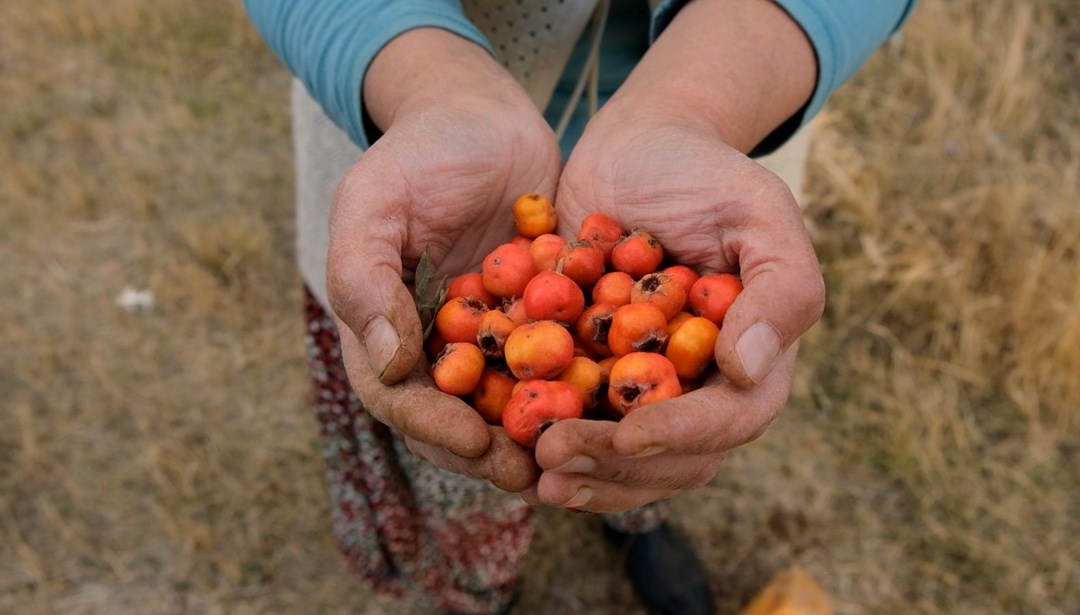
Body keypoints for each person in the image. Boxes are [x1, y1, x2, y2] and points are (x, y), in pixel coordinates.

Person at [243, 1, 916, 613]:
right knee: (449, 435)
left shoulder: (605, 311)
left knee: (638, 441)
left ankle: (637, 526)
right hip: (418, 148)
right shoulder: (527, 311)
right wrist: (426, 85)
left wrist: (692, 106)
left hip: (710, 147)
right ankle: (474, 586)